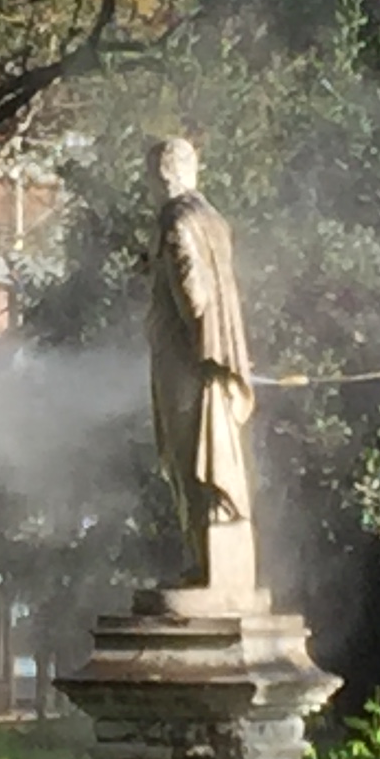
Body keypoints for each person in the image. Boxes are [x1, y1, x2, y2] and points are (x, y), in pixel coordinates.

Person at [144, 137, 259, 600]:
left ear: (162, 173)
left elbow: (191, 283)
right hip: (215, 354)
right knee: (211, 453)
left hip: (186, 357)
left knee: (188, 457)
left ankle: (203, 564)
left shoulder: (175, 218)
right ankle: (212, 564)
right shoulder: (212, 217)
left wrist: (196, 340)